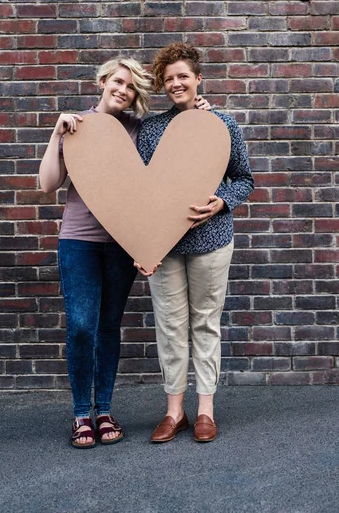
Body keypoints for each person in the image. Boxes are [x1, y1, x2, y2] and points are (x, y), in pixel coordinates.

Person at [136, 42, 254, 443]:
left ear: (198, 78)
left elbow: (244, 179)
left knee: (205, 323)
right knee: (170, 327)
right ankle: (174, 413)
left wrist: (223, 201)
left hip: (213, 239)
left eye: (183, 76)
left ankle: (205, 410)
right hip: (164, 246)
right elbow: (140, 191)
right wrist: (142, 244)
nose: (175, 84)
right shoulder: (151, 129)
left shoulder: (224, 124)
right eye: (168, 79)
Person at [39, 57, 153, 448]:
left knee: (108, 326)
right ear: (103, 81)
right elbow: (47, 184)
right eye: (118, 82)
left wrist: (201, 111)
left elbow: (169, 169)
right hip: (79, 242)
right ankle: (79, 414)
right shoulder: (77, 125)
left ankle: (103, 410)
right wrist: (56, 135)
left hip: (122, 243)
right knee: (82, 326)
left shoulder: (140, 130)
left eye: (131, 86)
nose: (123, 90)